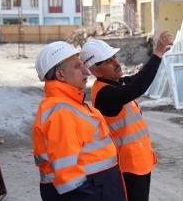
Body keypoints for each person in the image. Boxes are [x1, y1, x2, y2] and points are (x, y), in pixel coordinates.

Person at [80, 31, 173, 201]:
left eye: (114, 57)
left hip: (140, 163)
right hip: (127, 169)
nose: (116, 63)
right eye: (108, 61)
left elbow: (138, 78)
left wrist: (156, 59)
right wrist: (157, 54)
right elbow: (138, 86)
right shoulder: (104, 95)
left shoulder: (116, 83)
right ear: (94, 70)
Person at [32, 41, 126, 201]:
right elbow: (68, 178)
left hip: (99, 187)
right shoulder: (61, 112)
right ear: (60, 75)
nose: (86, 72)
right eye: (77, 67)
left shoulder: (71, 105)